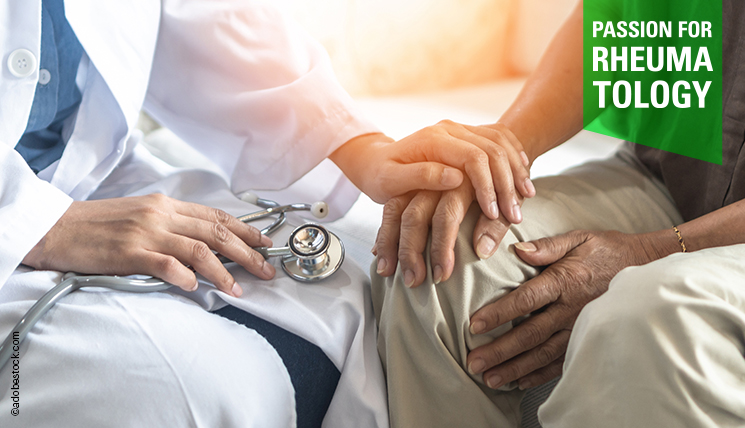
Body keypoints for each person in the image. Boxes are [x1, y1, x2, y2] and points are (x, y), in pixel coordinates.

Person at [0, 0, 532, 427]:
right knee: (189, 392)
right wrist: (42, 224)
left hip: (97, 171)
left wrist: (357, 145)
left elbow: (201, 14)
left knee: (361, 286)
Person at [372, 0, 745, 426]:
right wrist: (499, 157)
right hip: (672, 172)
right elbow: (617, 21)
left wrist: (649, 253)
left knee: (649, 318)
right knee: (443, 252)